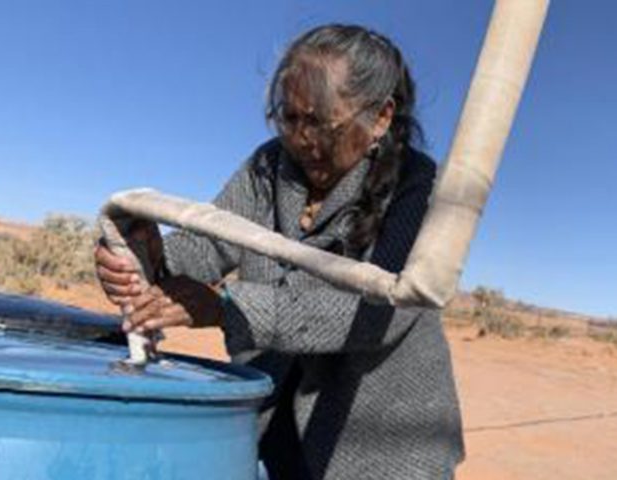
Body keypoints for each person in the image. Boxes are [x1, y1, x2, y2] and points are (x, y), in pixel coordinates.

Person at [95, 24, 464, 479]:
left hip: (381, 445)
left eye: (321, 122)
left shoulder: (422, 189)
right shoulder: (269, 167)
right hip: (277, 424)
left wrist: (227, 308)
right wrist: (146, 258)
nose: (302, 139)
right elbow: (213, 240)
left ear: (381, 117)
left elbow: (379, 316)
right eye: (289, 119)